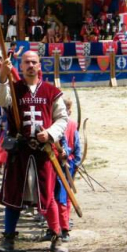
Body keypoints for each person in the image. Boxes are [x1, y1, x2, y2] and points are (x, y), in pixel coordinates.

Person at [0, 51, 70, 252]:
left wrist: (50, 133)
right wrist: (2, 75)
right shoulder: (13, 89)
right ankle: (8, 238)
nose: (30, 65)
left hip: (43, 152)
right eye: (26, 62)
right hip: (19, 152)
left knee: (47, 195)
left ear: (39, 66)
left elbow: (62, 119)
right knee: (13, 194)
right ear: (21, 66)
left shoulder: (51, 91)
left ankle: (57, 236)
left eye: (33, 62)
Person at [52, 97, 82, 243]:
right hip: (53, 165)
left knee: (62, 198)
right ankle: (53, 228)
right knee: (54, 198)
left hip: (65, 166)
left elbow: (76, 149)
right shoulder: (53, 125)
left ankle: (64, 229)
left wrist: (74, 165)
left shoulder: (71, 125)